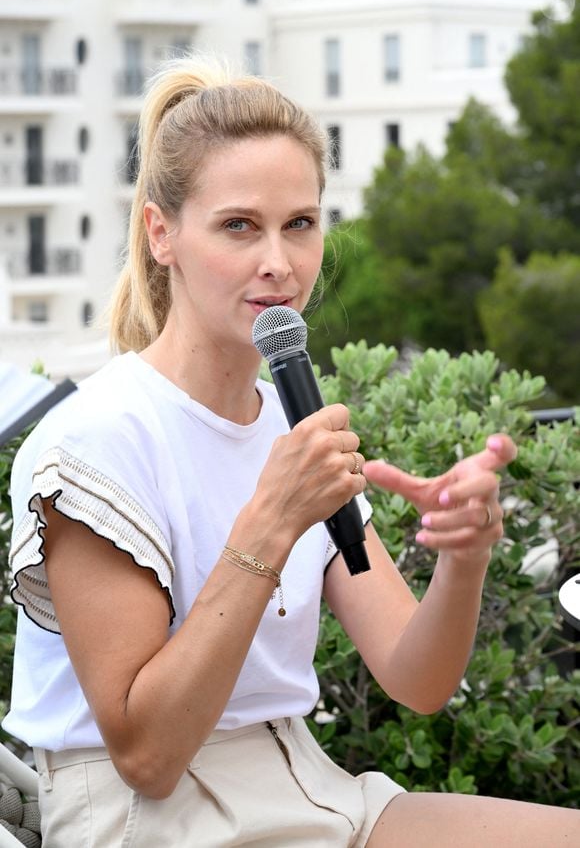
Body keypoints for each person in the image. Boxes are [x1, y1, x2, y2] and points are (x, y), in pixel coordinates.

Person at [3, 54, 579, 848]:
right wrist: (270, 520)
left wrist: (463, 552)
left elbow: (418, 679)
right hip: (150, 818)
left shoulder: (290, 425)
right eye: (239, 225)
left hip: (310, 786)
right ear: (161, 231)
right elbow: (147, 754)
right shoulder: (94, 441)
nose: (279, 261)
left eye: (299, 224)